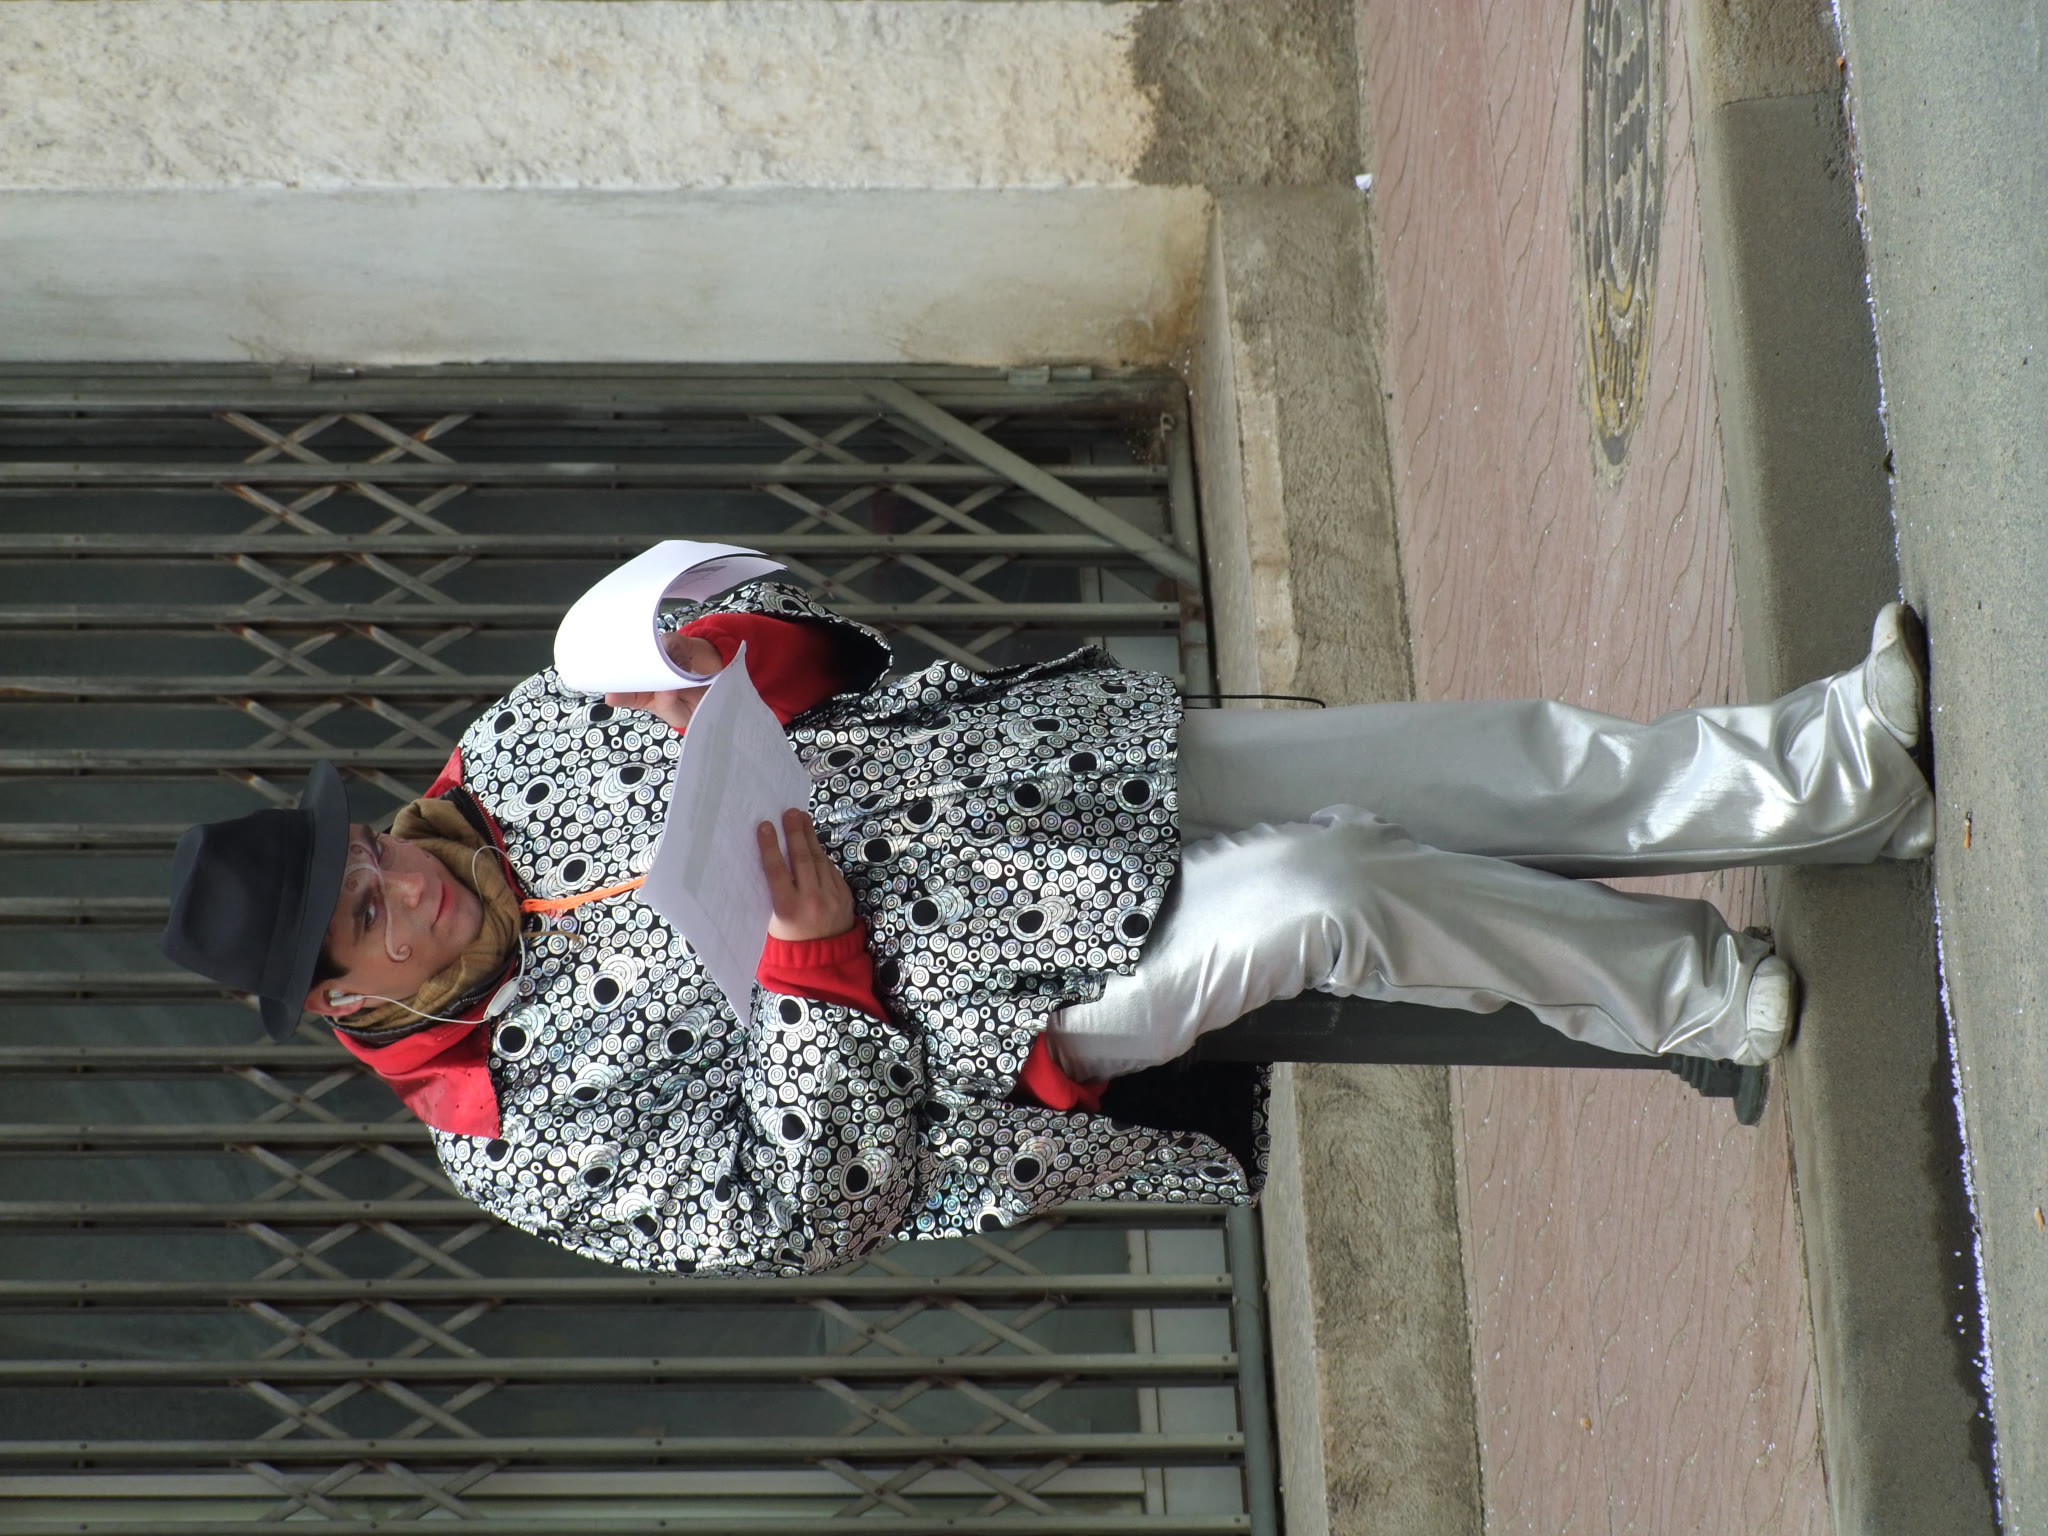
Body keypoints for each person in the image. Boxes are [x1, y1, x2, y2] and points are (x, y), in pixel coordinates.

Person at [160, 580, 1933, 1276]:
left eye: (366, 852)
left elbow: (824, 651)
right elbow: (799, 1218)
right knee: (1336, 892)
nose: (405, 882)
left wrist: (741, 643)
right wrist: (815, 972)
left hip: (1039, 776)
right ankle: (1696, 996)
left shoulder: (510, 742)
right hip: (1008, 1026)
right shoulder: (509, 1138)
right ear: (343, 1001)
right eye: (369, 918)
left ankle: (1836, 772)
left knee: (1482, 761)